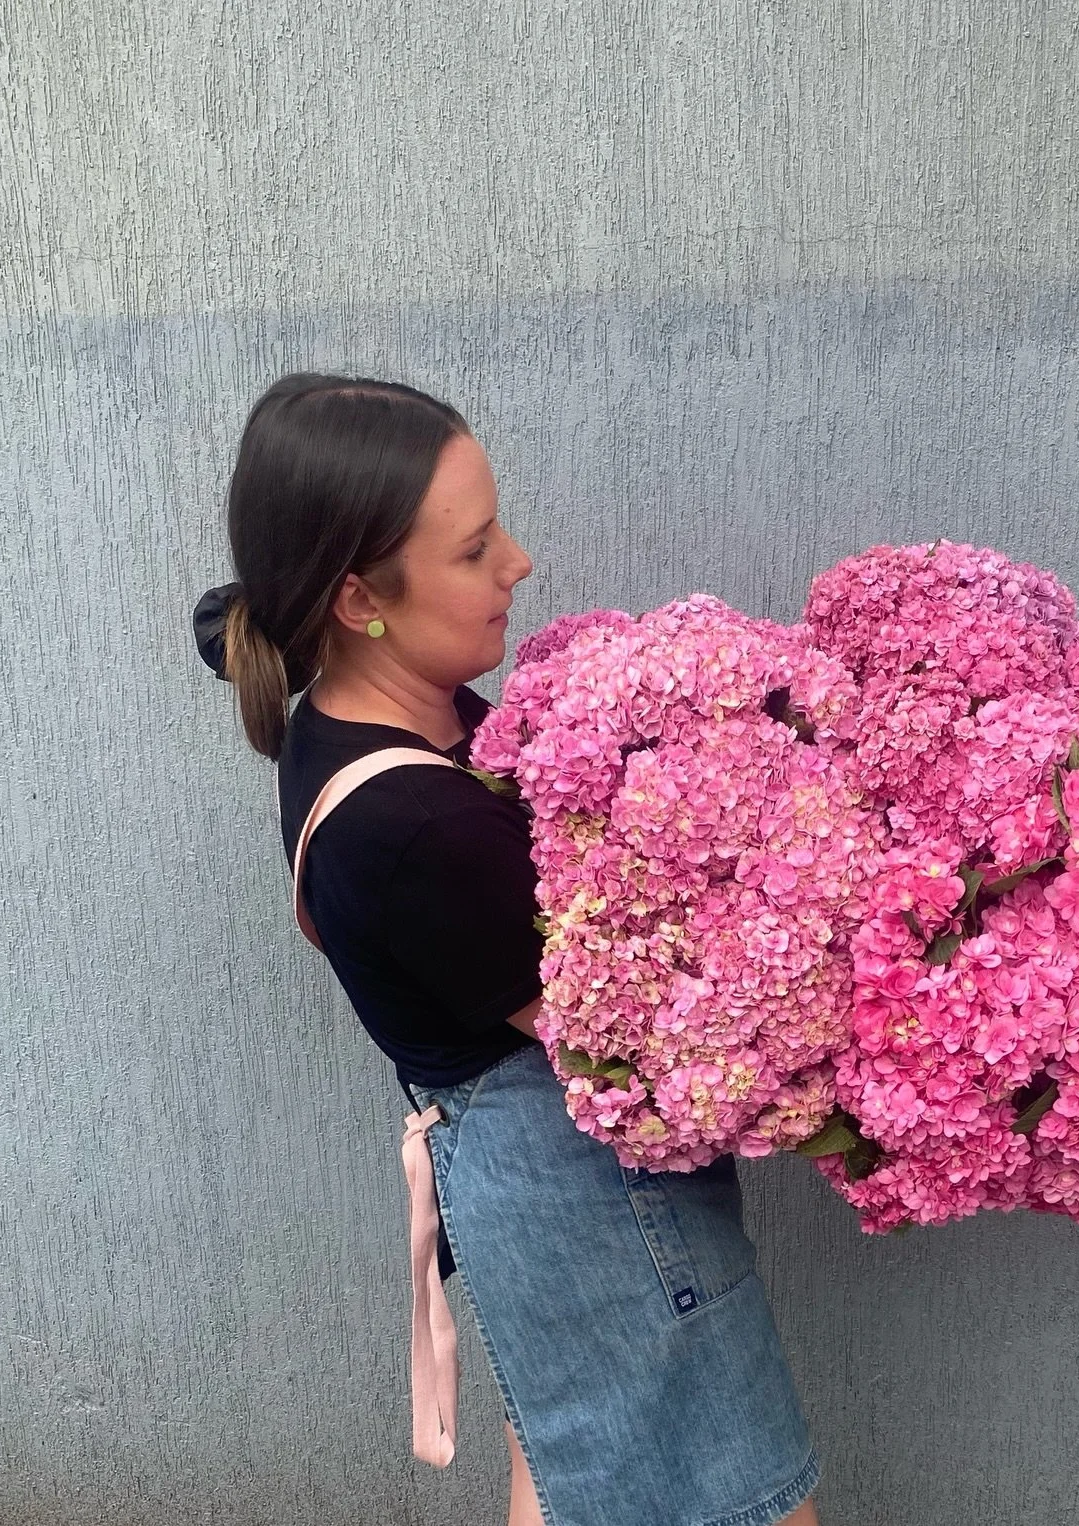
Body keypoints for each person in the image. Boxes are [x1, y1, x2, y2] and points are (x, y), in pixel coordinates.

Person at [191, 373, 821, 1526]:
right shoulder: (410, 825)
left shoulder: (384, 707)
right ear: (357, 598)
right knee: (748, 1502)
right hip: (592, 1200)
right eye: (476, 548)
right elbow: (635, 1044)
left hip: (544, 1197)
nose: (519, 562)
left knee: (577, 1472)